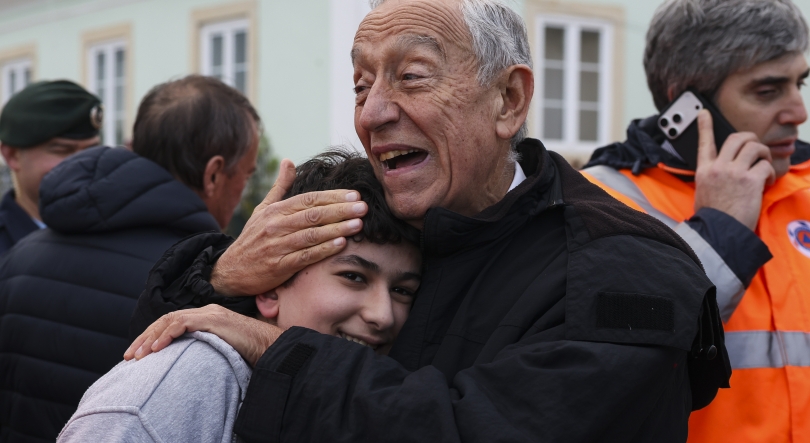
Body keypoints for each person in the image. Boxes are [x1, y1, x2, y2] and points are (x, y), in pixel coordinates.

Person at [128, 1, 730, 442]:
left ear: (509, 101)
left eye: (412, 76)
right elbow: (156, 351)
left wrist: (282, 350)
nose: (374, 112)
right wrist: (224, 276)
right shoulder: (389, 219)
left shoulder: (623, 269)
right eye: (362, 84)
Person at [57, 151, 422, 443]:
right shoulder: (170, 396)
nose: (383, 315)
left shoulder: (370, 404)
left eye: (403, 290)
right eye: (354, 277)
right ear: (268, 288)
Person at [580, 1, 810, 441]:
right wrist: (718, 227)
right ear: (686, 104)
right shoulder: (600, 199)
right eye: (767, 91)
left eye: (799, 83)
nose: (798, 112)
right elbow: (622, 371)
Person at [0, 75, 258, 443]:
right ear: (214, 174)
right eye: (246, 175)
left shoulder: (19, 256)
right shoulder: (202, 287)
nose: (243, 189)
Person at [0, 80, 102, 255]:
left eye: (92, 150)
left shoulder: (115, 232)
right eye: (63, 150)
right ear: (12, 156)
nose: (83, 164)